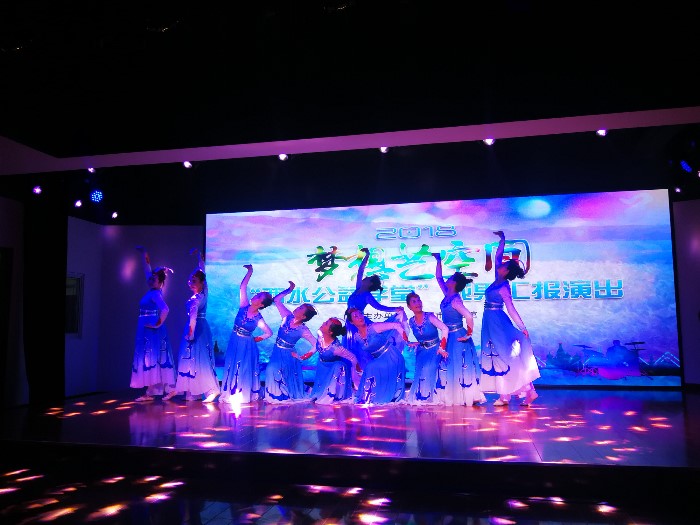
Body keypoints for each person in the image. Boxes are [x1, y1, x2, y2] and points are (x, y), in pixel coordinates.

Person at [480, 230, 540, 406]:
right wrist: (502, 240)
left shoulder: (504, 286)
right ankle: (505, 395)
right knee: (497, 354)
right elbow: (498, 256)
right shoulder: (497, 279)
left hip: (497, 322)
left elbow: (511, 309)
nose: (500, 264)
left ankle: (528, 391)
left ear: (506, 271)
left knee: (504, 355)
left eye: (504, 265)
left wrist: (522, 327)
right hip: (490, 320)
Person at [163, 249, 220, 402]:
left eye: (194, 281)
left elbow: (193, 318)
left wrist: (191, 333)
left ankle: (211, 390)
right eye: (190, 280)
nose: (190, 282)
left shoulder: (197, 299)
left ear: (202, 283)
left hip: (196, 329)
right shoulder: (202, 294)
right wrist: (199, 258)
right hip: (200, 327)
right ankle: (194, 391)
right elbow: (202, 272)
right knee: (194, 358)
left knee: (199, 358)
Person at [433, 252, 486, 406]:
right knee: (449, 364)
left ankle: (463, 396)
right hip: (448, 335)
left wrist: (469, 334)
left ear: (454, 283)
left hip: (457, 336)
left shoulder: (455, 300)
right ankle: (452, 394)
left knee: (458, 364)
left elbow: (468, 316)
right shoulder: (448, 294)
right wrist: (438, 260)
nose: (447, 279)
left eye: (450, 278)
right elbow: (438, 278)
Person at [219, 264, 273, 404]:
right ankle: (230, 391)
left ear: (261, 304)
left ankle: (242, 393)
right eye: (257, 294)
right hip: (234, 339)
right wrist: (250, 272)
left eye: (258, 297)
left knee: (242, 367)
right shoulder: (244, 305)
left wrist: (256, 339)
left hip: (246, 344)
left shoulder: (258, 318)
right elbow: (242, 287)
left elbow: (269, 332)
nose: (255, 296)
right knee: (232, 364)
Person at [345, 247, 406, 368]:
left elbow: (379, 307)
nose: (365, 278)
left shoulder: (367, 295)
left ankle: (367, 370)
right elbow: (360, 271)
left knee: (361, 349)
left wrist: (395, 309)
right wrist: (366, 255)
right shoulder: (358, 288)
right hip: (349, 323)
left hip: (358, 323)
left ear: (370, 283)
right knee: (350, 348)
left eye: (367, 278)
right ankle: (353, 373)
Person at [131, 246, 176, 402]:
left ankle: (167, 389)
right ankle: (152, 390)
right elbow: (147, 270)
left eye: (153, 279)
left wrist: (157, 324)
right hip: (146, 327)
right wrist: (144, 254)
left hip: (151, 329)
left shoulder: (156, 294)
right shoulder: (152, 290)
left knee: (153, 357)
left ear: (160, 282)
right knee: (151, 357)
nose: (150, 280)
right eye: (150, 278)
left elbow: (165, 309)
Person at [263, 281, 318, 402]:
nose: (297, 308)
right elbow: (276, 300)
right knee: (275, 371)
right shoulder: (287, 316)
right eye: (299, 306)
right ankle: (278, 394)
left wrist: (303, 357)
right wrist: (289, 290)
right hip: (277, 351)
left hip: (288, 354)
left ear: (303, 317)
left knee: (274, 370)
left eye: (301, 309)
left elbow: (316, 344)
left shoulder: (303, 330)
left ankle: (280, 395)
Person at [346, 307, 407, 405]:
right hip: (379, 359)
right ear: (351, 322)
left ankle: (375, 396)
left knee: (371, 367)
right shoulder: (357, 336)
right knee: (369, 367)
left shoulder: (374, 327)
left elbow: (396, 325)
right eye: (356, 316)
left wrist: (406, 340)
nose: (360, 317)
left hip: (391, 355)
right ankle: (370, 396)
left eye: (360, 314)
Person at [404, 291, 450, 405]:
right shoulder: (411, 321)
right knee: (420, 373)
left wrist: (442, 348)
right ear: (409, 306)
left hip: (435, 349)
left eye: (419, 300)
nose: (418, 303)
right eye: (414, 302)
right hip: (421, 352)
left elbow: (445, 329)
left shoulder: (430, 316)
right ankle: (422, 396)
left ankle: (433, 397)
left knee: (429, 369)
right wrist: (413, 343)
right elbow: (417, 336)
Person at [304, 317, 361, 404]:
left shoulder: (336, 348)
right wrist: (305, 356)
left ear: (330, 332)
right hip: (322, 366)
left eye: (326, 323)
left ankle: (334, 394)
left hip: (333, 369)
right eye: (326, 321)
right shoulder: (320, 337)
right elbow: (316, 347)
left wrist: (357, 370)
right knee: (319, 390)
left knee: (338, 366)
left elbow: (352, 357)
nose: (323, 322)